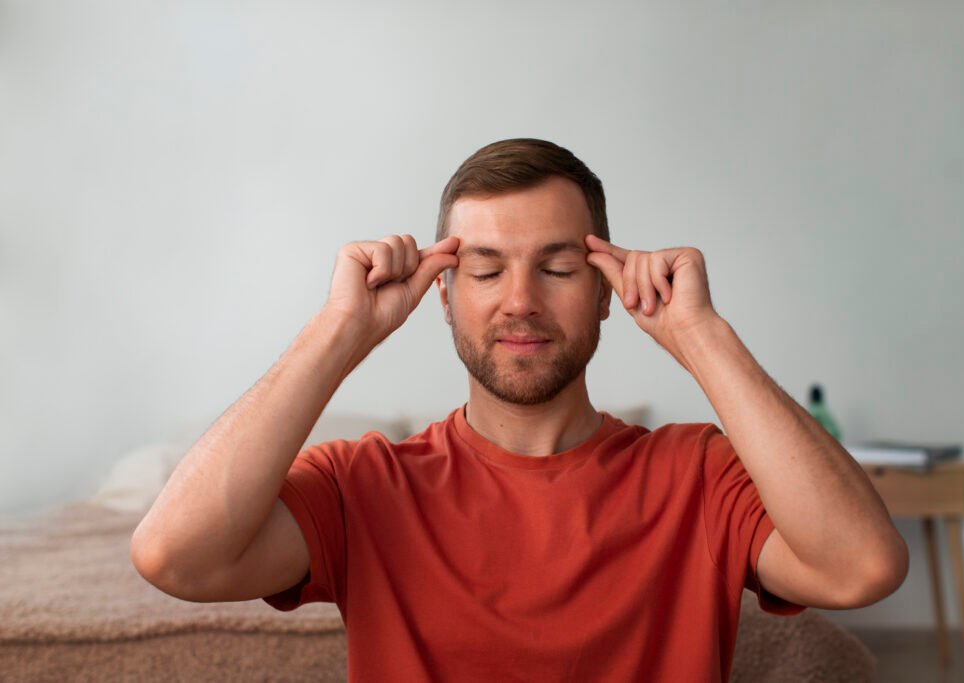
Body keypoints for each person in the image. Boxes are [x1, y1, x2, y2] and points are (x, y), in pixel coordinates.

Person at [131, 138, 909, 681]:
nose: (520, 301)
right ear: (441, 293)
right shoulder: (365, 483)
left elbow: (863, 566)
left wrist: (702, 336)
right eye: (486, 269)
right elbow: (176, 556)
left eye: (560, 266)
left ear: (605, 290)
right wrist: (339, 332)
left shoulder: (697, 475)